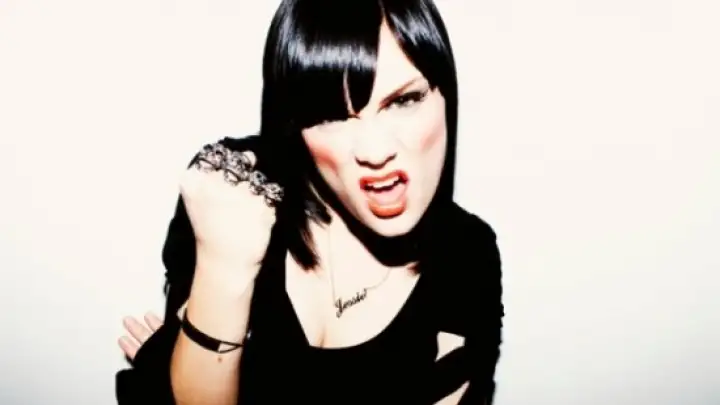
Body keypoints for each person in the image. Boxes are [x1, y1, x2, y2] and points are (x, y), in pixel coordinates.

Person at [115, 0, 504, 404]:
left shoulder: (467, 255)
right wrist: (224, 270)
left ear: (446, 94)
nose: (375, 151)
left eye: (403, 101)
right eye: (332, 114)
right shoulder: (232, 186)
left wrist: (171, 370)